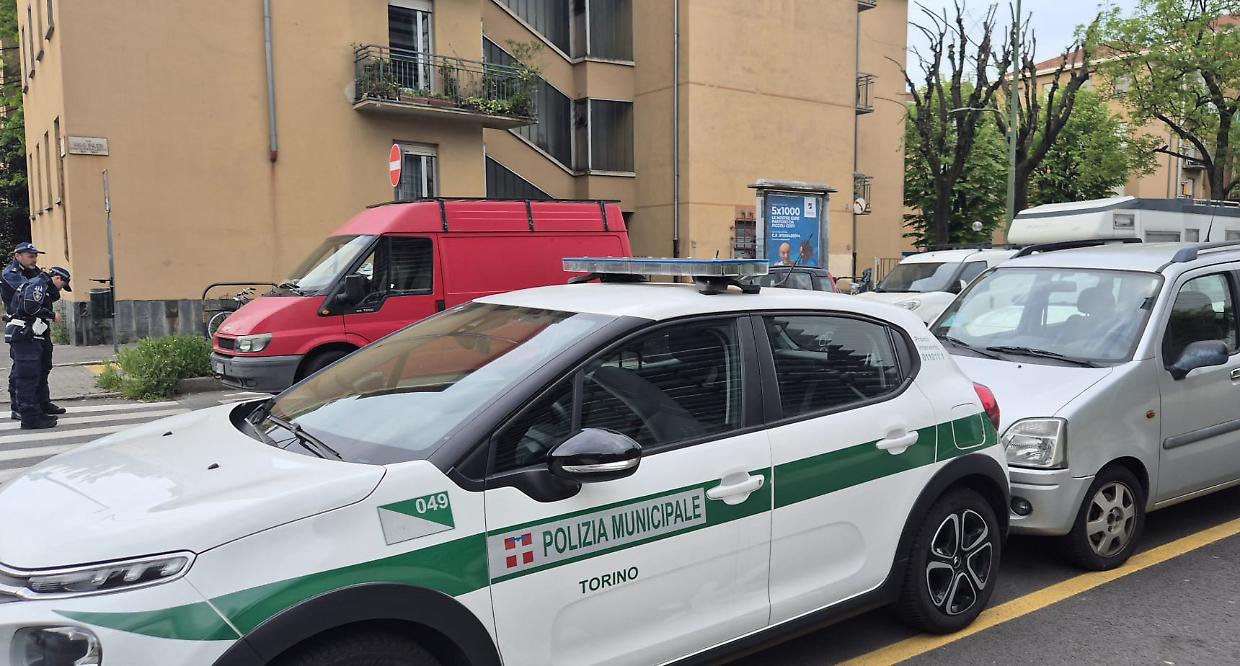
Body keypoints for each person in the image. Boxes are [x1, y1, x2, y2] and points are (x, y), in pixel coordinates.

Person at [6, 266, 70, 429]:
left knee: (36, 372)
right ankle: (29, 417)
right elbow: (30, 307)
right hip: (25, 333)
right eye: (62, 285)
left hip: (31, 333)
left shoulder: (41, 285)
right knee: (27, 376)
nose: (60, 290)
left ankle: (37, 410)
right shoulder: (38, 285)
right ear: (57, 278)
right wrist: (51, 315)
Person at [2, 243, 43, 418]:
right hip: (20, 325)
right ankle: (18, 406)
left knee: (37, 366)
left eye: (35, 255)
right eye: (30, 255)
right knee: (21, 368)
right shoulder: (11, 274)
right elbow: (31, 291)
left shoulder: (32, 271)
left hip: (35, 323)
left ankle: (38, 403)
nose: (34, 259)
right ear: (18, 256)